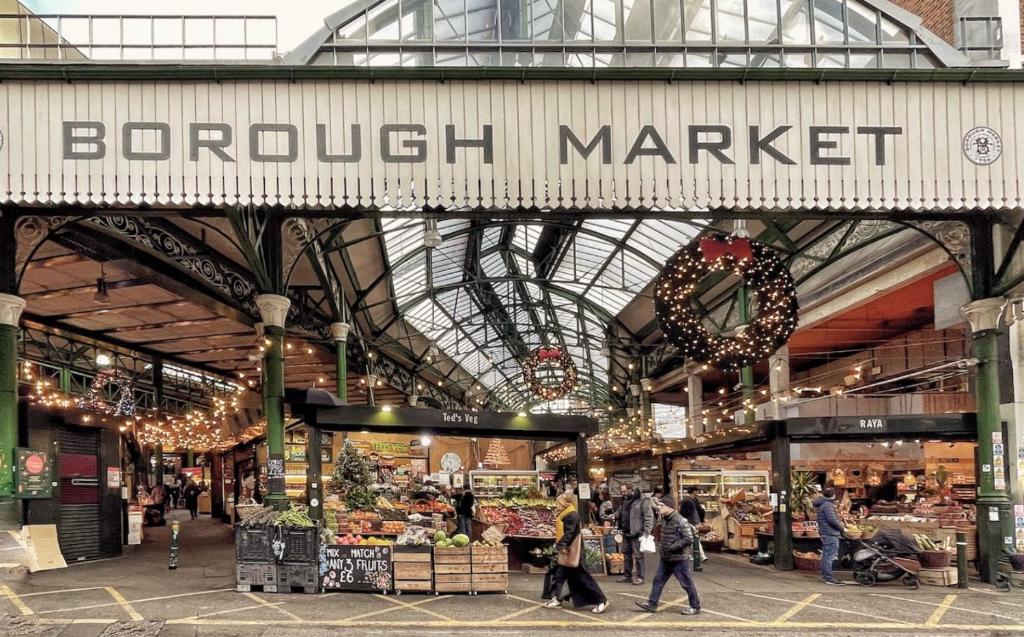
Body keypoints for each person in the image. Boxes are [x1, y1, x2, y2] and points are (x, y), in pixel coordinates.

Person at [634, 495, 701, 615]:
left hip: (679, 559)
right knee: (658, 581)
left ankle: (695, 606)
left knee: (686, 583)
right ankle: (652, 603)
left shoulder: (681, 521)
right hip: (666, 558)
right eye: (659, 505)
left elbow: (688, 539)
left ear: (669, 507)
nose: (659, 508)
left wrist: (672, 547)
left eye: (661, 505)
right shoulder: (665, 518)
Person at [543, 493, 608, 614]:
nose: (557, 505)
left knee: (583, 577)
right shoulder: (567, 513)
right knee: (560, 575)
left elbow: (569, 533)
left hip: (573, 552)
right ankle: (557, 598)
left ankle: (601, 600)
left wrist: (560, 545)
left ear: (565, 502)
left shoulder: (571, 515)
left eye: (559, 502)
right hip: (568, 552)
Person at [617, 486, 654, 585]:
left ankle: (640, 577)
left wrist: (646, 532)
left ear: (633, 490)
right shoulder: (625, 501)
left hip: (637, 532)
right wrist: (614, 516)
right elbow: (620, 512)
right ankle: (627, 576)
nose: (624, 493)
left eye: (626, 491)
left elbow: (649, 517)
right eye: (623, 492)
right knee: (626, 555)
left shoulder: (643, 501)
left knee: (638, 556)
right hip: (626, 531)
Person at [814, 487, 847, 585]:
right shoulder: (828, 505)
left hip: (826, 532)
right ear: (833, 495)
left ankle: (826, 576)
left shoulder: (822, 503)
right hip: (830, 533)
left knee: (826, 555)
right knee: (829, 556)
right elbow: (832, 520)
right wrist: (842, 528)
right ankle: (828, 577)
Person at [679, 487, 707, 571]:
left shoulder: (692, 500)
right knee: (693, 538)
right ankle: (700, 556)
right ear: (693, 491)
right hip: (691, 522)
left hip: (693, 522)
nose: (698, 492)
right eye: (697, 490)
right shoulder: (688, 500)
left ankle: (691, 555)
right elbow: (688, 512)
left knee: (692, 538)